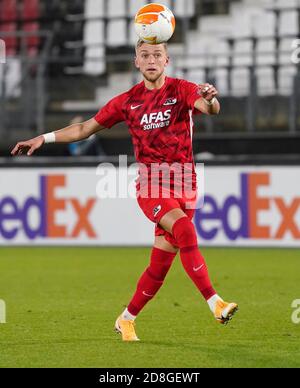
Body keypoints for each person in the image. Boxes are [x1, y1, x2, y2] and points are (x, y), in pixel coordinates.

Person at [11, 40, 238, 342]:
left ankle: (126, 319)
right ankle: (215, 302)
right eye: (145, 55)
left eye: (157, 54)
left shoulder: (182, 89)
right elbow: (84, 129)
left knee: (160, 266)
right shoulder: (127, 101)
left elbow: (209, 108)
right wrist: (44, 137)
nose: (151, 59)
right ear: (136, 62)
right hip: (151, 185)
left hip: (185, 184)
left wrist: (209, 99)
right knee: (184, 229)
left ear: (167, 60)